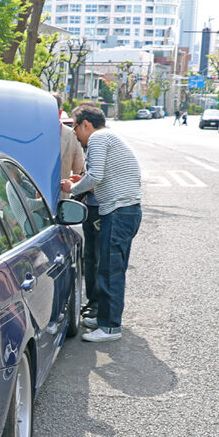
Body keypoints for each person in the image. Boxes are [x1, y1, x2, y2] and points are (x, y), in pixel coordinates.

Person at [61, 104, 142, 343]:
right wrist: (83, 181)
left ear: (86, 123)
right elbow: (100, 177)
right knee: (109, 268)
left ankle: (110, 327)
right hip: (124, 210)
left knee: (110, 270)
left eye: (75, 127)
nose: (74, 134)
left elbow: (95, 176)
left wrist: (73, 188)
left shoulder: (97, 138)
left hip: (118, 212)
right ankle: (105, 317)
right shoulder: (109, 137)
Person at [53, 94, 85, 198]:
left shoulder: (72, 135)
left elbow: (79, 170)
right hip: (30, 203)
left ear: (60, 113)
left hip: (60, 199)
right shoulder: (32, 134)